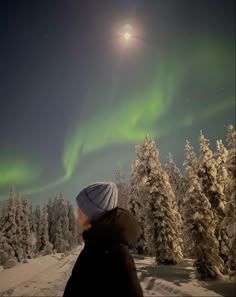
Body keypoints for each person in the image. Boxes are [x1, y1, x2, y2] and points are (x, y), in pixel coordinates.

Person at [63, 181, 143, 297]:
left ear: (94, 214)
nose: (78, 212)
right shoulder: (95, 246)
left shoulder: (116, 255)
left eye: (82, 208)